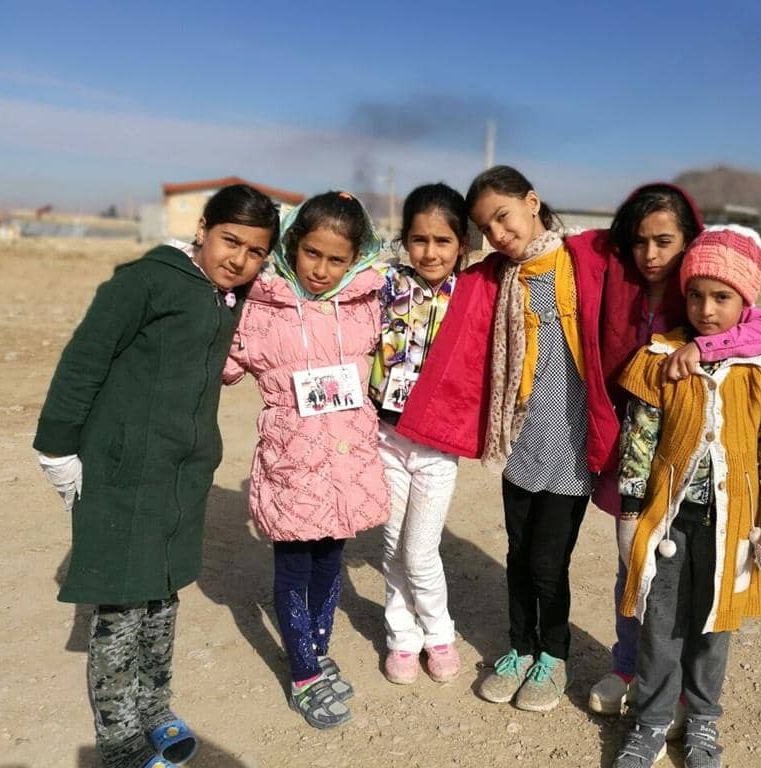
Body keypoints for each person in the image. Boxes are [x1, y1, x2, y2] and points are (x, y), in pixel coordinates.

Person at [34, 184, 279, 768]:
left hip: (180, 471)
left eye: (254, 250)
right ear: (202, 229)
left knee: (163, 593)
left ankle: (154, 708)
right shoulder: (145, 280)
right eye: (229, 241)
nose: (239, 258)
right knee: (121, 605)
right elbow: (83, 360)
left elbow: (319, 256)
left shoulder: (230, 293)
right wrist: (56, 448)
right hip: (123, 470)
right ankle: (119, 741)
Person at [397, 165, 622, 712]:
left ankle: (554, 653)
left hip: (571, 450)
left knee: (549, 563)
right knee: (518, 553)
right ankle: (520, 647)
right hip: (521, 446)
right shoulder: (494, 278)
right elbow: (409, 273)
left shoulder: (583, 262)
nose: (498, 233)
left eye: (503, 216)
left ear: (532, 201)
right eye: (487, 227)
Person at [588, 184, 761, 718]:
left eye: (664, 241)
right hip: (635, 459)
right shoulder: (618, 285)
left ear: (688, 244)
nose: (650, 254)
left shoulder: (709, 298)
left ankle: (680, 695)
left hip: (710, 490)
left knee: (697, 590)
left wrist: (705, 344)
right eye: (639, 241)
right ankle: (629, 668)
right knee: (635, 572)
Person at [222, 191, 388, 730]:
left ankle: (316, 650)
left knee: (329, 560)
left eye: (336, 259)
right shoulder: (260, 305)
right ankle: (303, 674)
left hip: (348, 466)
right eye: (311, 253)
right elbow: (220, 365)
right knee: (293, 569)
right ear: (293, 245)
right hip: (292, 466)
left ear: (355, 257)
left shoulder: (368, 302)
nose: (321, 269)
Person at [368, 183, 468, 685]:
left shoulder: (473, 295)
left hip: (437, 446)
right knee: (390, 547)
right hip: (386, 437)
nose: (430, 252)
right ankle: (401, 640)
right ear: (404, 240)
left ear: (462, 244)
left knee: (419, 549)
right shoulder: (385, 283)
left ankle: (439, 634)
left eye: (442, 241)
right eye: (419, 239)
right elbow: (333, 254)